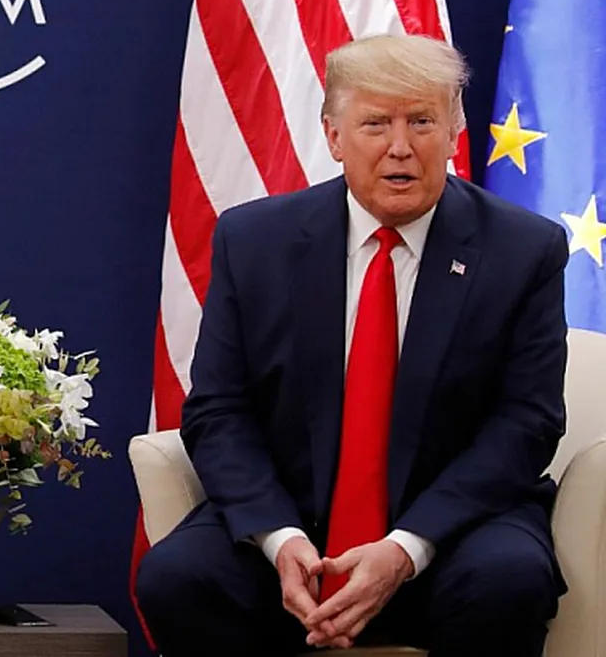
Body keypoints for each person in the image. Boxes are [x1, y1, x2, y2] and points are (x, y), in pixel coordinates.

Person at [135, 34, 568, 656]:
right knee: (178, 580)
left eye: (422, 121)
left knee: (510, 581)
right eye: (375, 124)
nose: (401, 146)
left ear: (454, 133)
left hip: (451, 531)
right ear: (334, 136)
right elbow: (219, 410)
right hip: (296, 526)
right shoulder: (255, 242)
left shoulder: (523, 251)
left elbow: (527, 422)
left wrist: (406, 548)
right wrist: (280, 539)